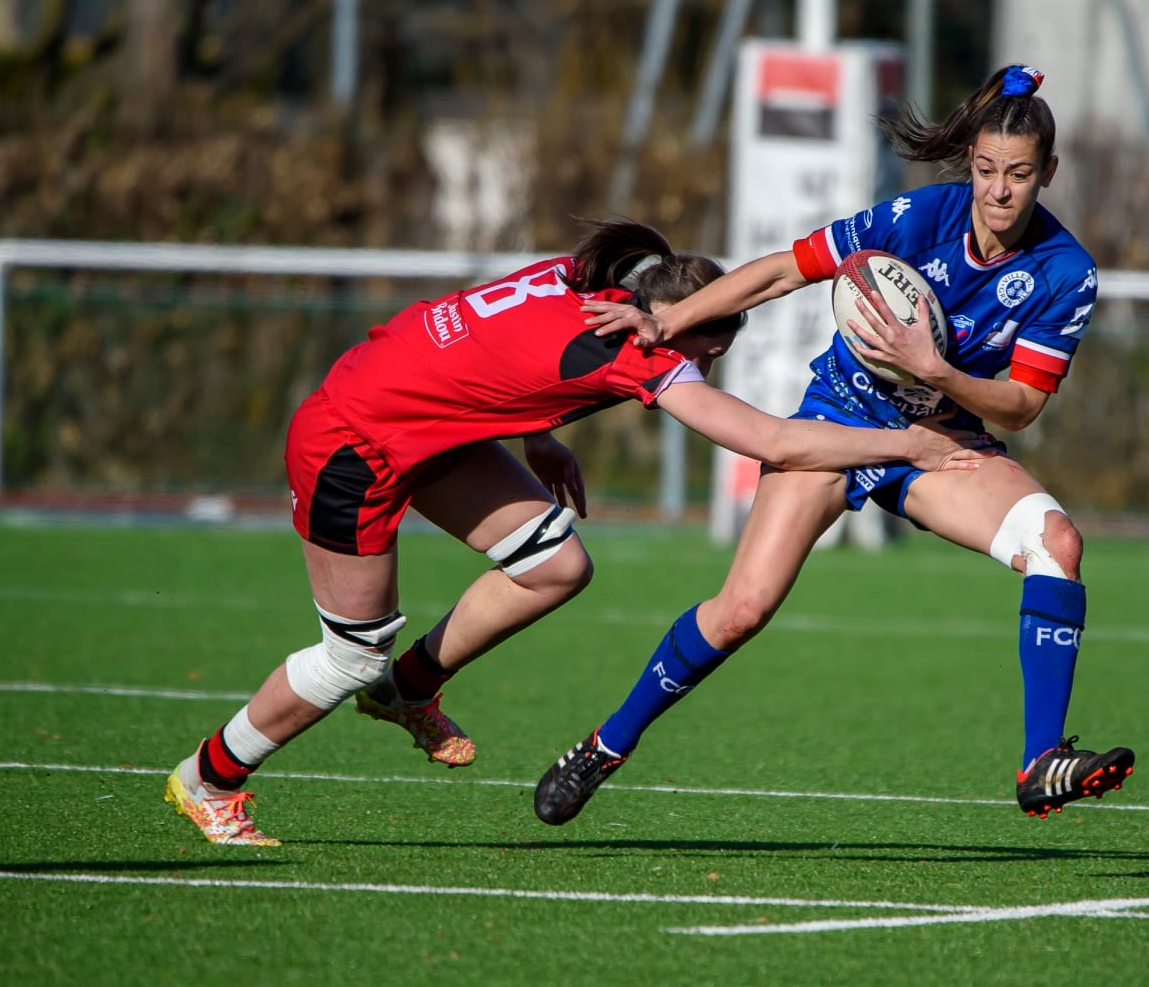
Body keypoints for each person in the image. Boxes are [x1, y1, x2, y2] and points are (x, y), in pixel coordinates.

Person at [164, 220, 990, 846]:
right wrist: (910, 443)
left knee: (556, 565)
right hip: (355, 443)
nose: (701, 368)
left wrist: (540, 432)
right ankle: (209, 778)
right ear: (686, 325)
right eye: (709, 351)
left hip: (415, 418)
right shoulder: (638, 351)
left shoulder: (583, 277)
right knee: (351, 651)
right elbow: (776, 442)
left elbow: (499, 351)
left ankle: (409, 691)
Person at [538, 65, 1133, 825]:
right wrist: (666, 323)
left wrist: (936, 371)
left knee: (1057, 543)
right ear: (971, 167)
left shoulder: (1065, 272)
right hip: (839, 420)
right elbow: (783, 270)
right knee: (742, 610)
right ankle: (606, 744)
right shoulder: (920, 216)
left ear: (1047, 172)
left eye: (1019, 175)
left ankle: (1041, 760)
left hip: (939, 440)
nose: (999, 191)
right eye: (986, 171)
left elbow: (1019, 407)